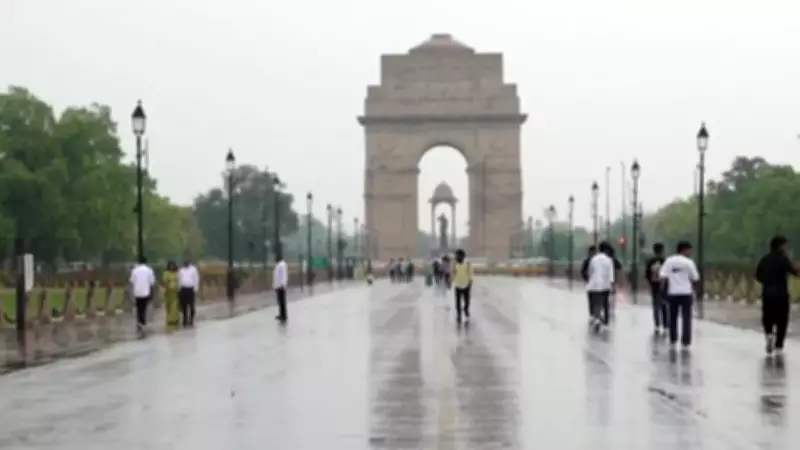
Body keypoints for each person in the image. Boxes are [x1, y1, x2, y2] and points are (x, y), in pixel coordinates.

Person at [755, 235, 799, 356]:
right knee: (782, 320)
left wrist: (767, 280)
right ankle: (779, 345)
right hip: (781, 295)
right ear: (780, 246)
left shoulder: (764, 260)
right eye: (785, 245)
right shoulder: (783, 259)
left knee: (767, 317)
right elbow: (795, 272)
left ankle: (769, 334)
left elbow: (758, 276)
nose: (786, 248)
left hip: (768, 294)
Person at [659, 241, 699, 350]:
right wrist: (695, 290)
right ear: (684, 250)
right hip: (686, 293)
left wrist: (662, 291)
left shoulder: (669, 261)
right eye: (689, 250)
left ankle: (673, 338)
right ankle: (686, 340)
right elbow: (695, 278)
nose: (690, 252)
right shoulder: (689, 262)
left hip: (673, 293)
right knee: (686, 317)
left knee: (672, 317)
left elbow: (663, 276)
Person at [587, 242, 615, 331]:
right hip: (605, 285)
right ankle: (605, 320)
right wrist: (613, 286)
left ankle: (597, 318)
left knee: (596, 303)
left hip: (594, 285)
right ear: (606, 250)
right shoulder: (609, 260)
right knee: (605, 303)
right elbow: (611, 275)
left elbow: (590, 272)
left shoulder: (593, 259)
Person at [645, 243, 668, 336]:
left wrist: (650, 283)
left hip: (654, 285)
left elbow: (647, 274)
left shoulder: (650, 261)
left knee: (655, 306)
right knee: (664, 306)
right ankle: (666, 324)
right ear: (662, 250)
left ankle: (657, 324)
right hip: (664, 286)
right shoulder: (666, 261)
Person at [129, 256, 156, 334]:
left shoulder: (134, 270)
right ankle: (142, 323)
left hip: (137, 292)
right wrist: (152, 293)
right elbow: (152, 283)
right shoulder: (149, 270)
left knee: (138, 308)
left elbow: (132, 282)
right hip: (145, 292)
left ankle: (139, 323)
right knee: (143, 308)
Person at [451, 249, 474, 323]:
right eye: (457, 255)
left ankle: (466, 309)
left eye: (459, 255)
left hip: (466, 284)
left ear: (463, 256)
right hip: (457, 285)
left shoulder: (467, 263)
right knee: (457, 301)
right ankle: (458, 314)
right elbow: (453, 273)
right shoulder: (454, 263)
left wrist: (470, 281)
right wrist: (450, 281)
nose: (457, 257)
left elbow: (470, 272)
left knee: (467, 300)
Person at [177, 258, 200, 327]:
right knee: (183, 306)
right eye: (184, 262)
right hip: (183, 289)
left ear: (189, 262)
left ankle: (191, 320)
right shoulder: (181, 270)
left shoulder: (193, 269)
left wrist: (196, 289)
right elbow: (179, 279)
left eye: (186, 262)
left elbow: (196, 279)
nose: (185, 263)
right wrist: (179, 289)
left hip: (190, 289)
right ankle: (185, 319)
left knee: (191, 305)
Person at [163, 260, 180, 330]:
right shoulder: (166, 273)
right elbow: (164, 281)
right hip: (168, 292)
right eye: (170, 265)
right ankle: (169, 321)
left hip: (175, 293)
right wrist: (169, 284)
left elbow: (179, 281)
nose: (171, 267)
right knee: (168, 307)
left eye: (173, 265)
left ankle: (175, 320)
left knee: (175, 307)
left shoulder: (177, 273)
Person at [581, 245, 597, 319]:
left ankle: (595, 314)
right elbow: (583, 271)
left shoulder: (597, 261)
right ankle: (592, 314)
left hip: (597, 284)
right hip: (590, 283)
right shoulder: (587, 261)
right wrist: (587, 279)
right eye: (592, 252)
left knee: (597, 300)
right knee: (591, 299)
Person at [273, 251, 289, 322]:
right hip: (278, 286)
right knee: (280, 301)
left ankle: (283, 315)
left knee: (282, 301)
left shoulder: (281, 265)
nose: (275, 259)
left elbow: (283, 275)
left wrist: (283, 284)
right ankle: (281, 314)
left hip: (281, 286)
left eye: (276, 258)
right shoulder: (279, 265)